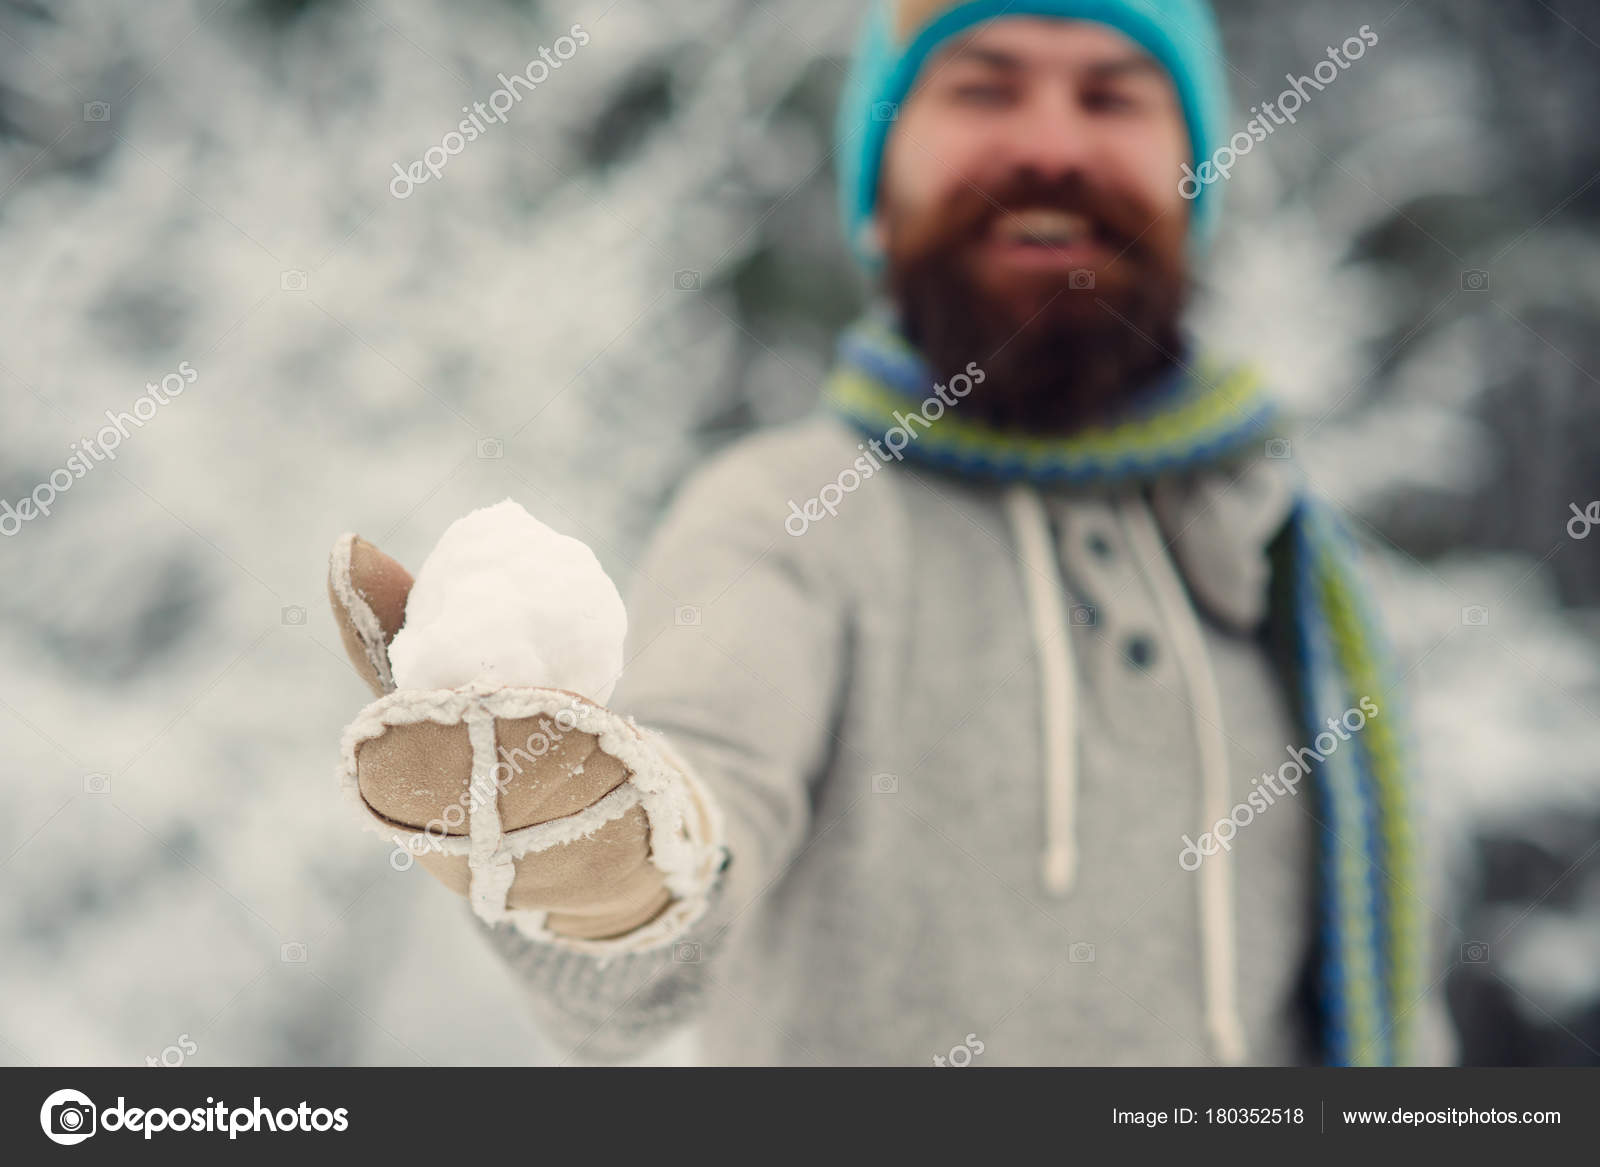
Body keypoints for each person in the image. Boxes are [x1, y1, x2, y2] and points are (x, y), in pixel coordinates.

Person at [328, 0, 1451, 1066]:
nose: (1051, 144)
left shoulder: (1281, 564)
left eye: (1112, 99)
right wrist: (596, 852)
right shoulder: (790, 515)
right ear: (876, 192)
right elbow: (694, 813)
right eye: (982, 90)